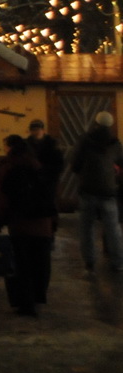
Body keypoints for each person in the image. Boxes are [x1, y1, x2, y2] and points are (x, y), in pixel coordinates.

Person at [0, 135, 56, 315]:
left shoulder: (8, 167)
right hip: (42, 223)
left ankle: (25, 303)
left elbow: (2, 197)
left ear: (9, 148)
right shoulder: (37, 165)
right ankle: (37, 298)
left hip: (20, 223)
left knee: (21, 264)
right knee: (40, 263)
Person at [70, 111, 123, 272]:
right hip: (108, 191)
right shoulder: (115, 143)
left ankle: (89, 261)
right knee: (113, 228)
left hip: (88, 190)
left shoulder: (85, 140)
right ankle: (118, 261)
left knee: (87, 227)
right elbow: (121, 162)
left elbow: (75, 164)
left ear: (96, 123)